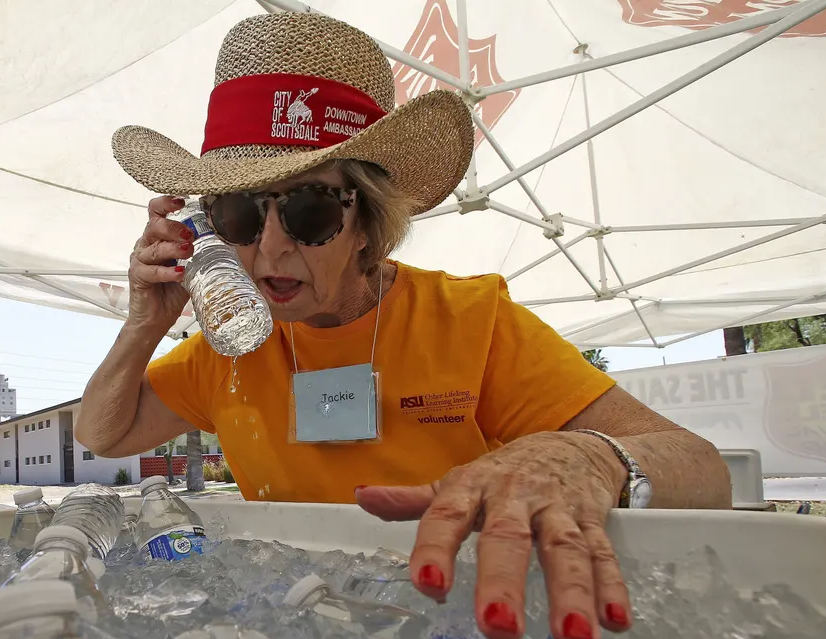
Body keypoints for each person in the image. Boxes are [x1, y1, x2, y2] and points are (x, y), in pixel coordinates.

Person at [78, 11, 732, 639]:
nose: (270, 249)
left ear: (368, 218)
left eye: (308, 210)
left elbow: (706, 471)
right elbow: (103, 432)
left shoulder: (471, 322)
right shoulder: (229, 345)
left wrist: (587, 454)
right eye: (240, 214)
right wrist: (144, 321)